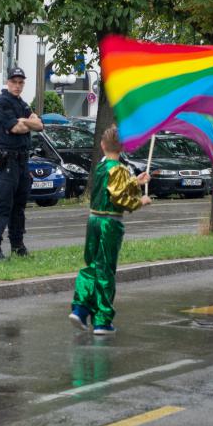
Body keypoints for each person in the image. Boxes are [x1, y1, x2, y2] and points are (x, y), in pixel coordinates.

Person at [68, 125, 151, 335]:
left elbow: (112, 187)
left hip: (93, 220)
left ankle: (81, 306)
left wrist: (135, 181)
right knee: (105, 270)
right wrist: (139, 201)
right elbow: (119, 197)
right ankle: (102, 320)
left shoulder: (100, 167)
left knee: (93, 264)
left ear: (102, 145)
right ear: (122, 147)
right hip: (110, 224)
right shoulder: (120, 169)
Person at [0, 67, 43, 260]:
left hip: (22, 161)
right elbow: (18, 128)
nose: (17, 86)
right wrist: (27, 122)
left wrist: (24, 120)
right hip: (7, 160)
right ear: (8, 82)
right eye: (14, 82)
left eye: (21, 82)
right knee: (3, 204)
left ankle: (18, 245)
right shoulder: (1, 104)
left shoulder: (22, 104)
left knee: (19, 206)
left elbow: (40, 125)